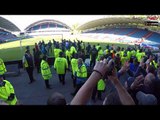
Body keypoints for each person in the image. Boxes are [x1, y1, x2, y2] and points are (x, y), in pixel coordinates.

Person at [70, 59, 135, 105]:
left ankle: (96, 97)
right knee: (97, 91)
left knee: (97, 91)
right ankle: (95, 97)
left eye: (104, 102)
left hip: (96, 81)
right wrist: (115, 80)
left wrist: (96, 73)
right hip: (100, 82)